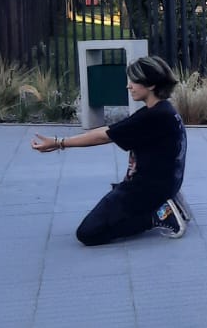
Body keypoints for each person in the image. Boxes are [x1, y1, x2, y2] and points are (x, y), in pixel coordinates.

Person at [31, 55, 190, 246]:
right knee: (108, 218)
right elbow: (109, 131)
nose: (128, 86)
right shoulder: (163, 110)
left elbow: (103, 136)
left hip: (145, 189)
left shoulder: (153, 116)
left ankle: (157, 215)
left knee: (88, 233)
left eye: (134, 81)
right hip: (166, 184)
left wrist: (59, 142)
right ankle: (165, 205)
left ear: (151, 84)